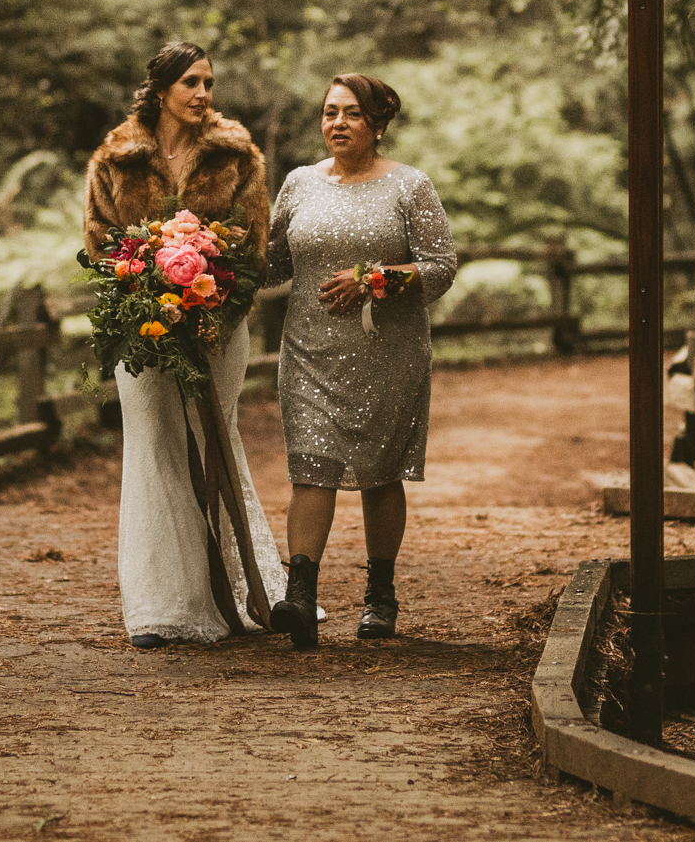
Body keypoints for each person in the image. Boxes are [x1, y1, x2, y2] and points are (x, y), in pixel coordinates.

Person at [83, 41, 286, 648]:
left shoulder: (237, 156)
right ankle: (161, 605)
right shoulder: (116, 159)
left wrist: (210, 306)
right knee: (153, 446)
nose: (203, 94)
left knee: (215, 440)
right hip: (139, 331)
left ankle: (236, 589)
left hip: (217, 329)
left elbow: (253, 249)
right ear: (162, 88)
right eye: (191, 83)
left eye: (209, 83)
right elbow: (99, 243)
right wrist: (143, 288)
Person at [264, 73, 458, 648]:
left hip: (387, 352)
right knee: (311, 465)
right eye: (329, 113)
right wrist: (204, 260)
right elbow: (273, 265)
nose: (337, 123)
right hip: (308, 350)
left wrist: (374, 279)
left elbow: (441, 267)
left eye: (350, 113)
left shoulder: (410, 186)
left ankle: (380, 595)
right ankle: (300, 596)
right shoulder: (298, 184)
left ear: (377, 122)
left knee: (379, 470)